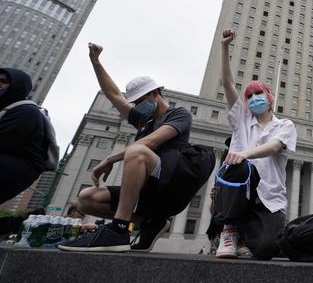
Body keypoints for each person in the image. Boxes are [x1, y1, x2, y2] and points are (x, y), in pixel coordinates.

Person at [58, 43, 214, 252]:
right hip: (143, 192)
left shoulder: (179, 115)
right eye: (135, 102)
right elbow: (114, 95)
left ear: (155, 93)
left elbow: (150, 142)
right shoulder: (144, 120)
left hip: (167, 186)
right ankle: (151, 221)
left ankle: (119, 230)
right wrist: (96, 62)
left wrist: (109, 159)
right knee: (86, 199)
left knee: (137, 151)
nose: (138, 105)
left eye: (141, 100)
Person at [211, 29, 297, 260]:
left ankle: (245, 237)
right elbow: (228, 84)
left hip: (268, 199)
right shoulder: (241, 119)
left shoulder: (285, 125)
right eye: (249, 96)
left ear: (270, 99)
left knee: (268, 248)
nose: (253, 98)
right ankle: (228, 230)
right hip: (238, 191)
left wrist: (244, 153)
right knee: (238, 166)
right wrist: (225, 46)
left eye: (259, 93)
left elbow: (274, 147)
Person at [0, 68, 49, 236]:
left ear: (17, 86)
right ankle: (21, 222)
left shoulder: (26, 111)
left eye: (3, 81)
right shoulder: (5, 110)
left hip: (18, 168)